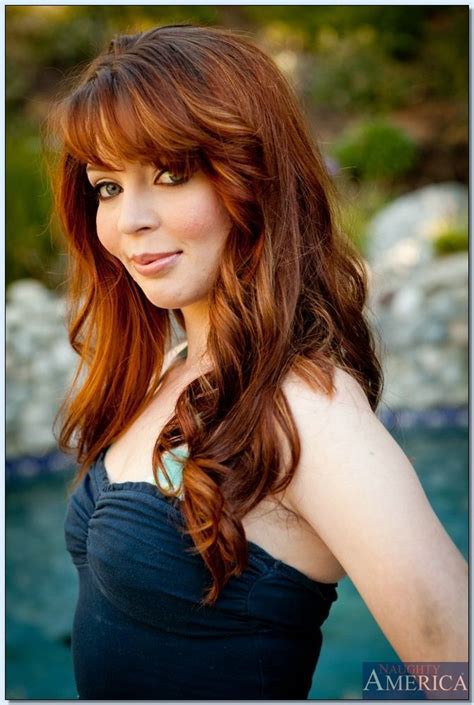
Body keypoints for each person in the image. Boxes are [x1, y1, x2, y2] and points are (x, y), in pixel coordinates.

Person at [49, 24, 468, 700]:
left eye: (170, 173)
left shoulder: (306, 407)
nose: (131, 220)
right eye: (107, 187)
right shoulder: (179, 366)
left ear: (254, 178)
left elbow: (457, 663)